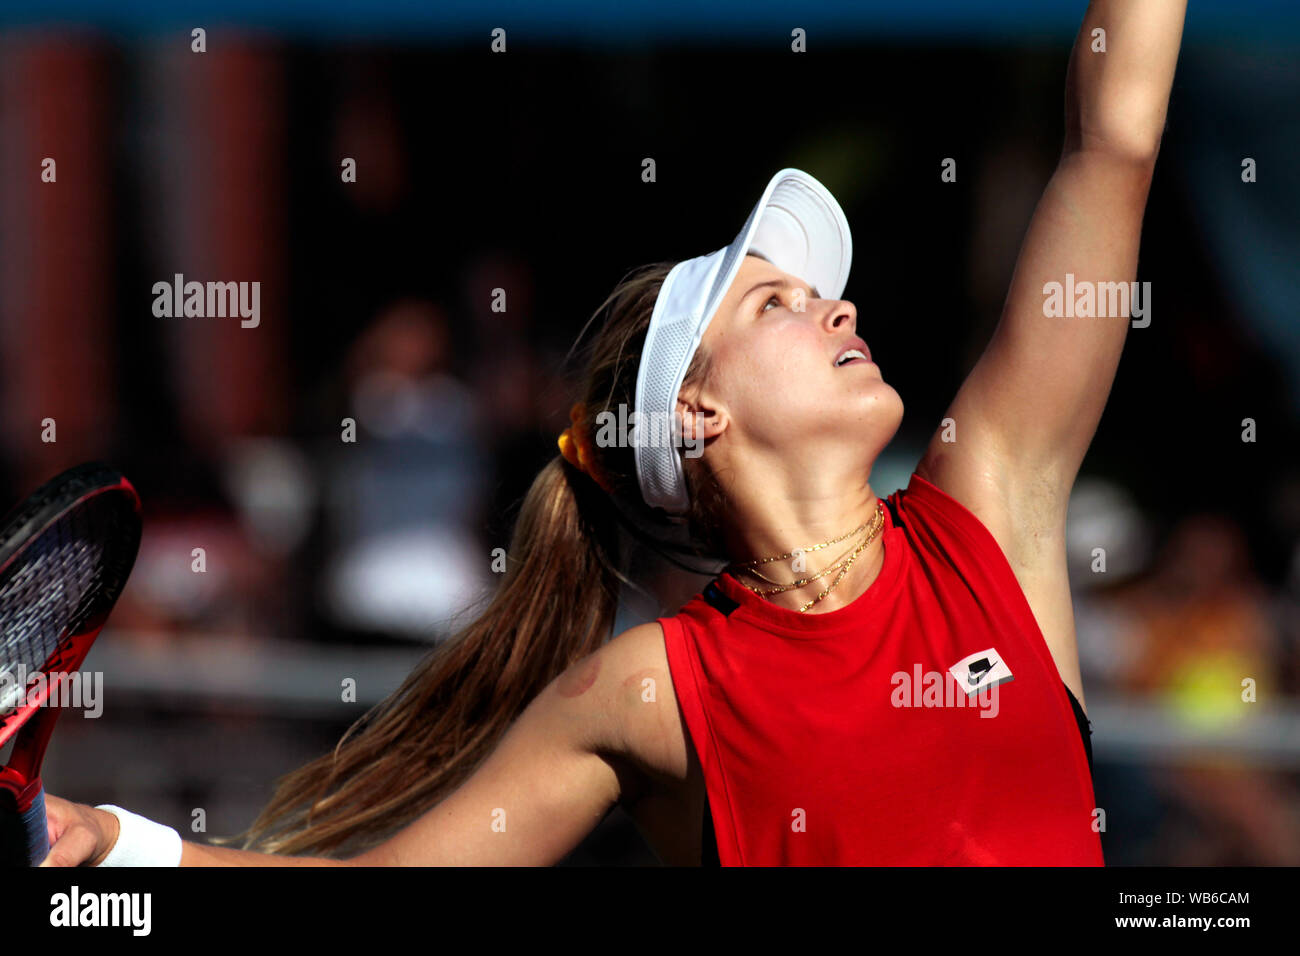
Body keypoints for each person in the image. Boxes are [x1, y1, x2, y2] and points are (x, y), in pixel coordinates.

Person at [40, 0, 1187, 867]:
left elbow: (1113, 142)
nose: (839, 307)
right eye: (773, 303)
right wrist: (106, 847)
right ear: (695, 412)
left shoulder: (983, 505)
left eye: (811, 294)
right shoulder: (653, 687)